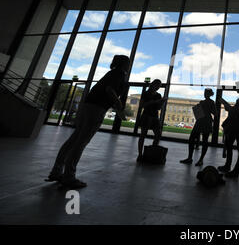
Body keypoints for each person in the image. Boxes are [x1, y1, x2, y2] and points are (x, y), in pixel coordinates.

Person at [46, 55, 130, 189]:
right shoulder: (120, 74)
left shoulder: (111, 73)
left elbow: (105, 90)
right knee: (81, 142)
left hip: (88, 106)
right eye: (128, 63)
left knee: (73, 140)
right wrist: (119, 104)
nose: (129, 65)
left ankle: (56, 171)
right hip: (97, 109)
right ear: (125, 64)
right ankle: (69, 177)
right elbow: (110, 90)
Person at [218, 84, 239, 178]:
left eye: (238, 86)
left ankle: (235, 171)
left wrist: (233, 109)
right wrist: (232, 109)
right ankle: (228, 166)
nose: (236, 88)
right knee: (229, 145)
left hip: (238, 126)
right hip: (235, 126)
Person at [180, 88, 216, 166]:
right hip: (205, 121)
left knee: (195, 139)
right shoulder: (209, 102)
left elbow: (215, 113)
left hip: (201, 121)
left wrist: (203, 109)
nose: (205, 94)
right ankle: (198, 159)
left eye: (206, 93)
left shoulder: (207, 102)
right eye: (205, 92)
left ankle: (193, 158)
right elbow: (215, 113)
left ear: (209, 94)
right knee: (202, 140)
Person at [136, 79, 166, 162]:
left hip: (153, 116)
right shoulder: (146, 93)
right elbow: (142, 105)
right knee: (144, 135)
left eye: (159, 86)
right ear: (153, 84)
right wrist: (154, 102)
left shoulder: (157, 95)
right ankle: (140, 154)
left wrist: (161, 102)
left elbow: (158, 108)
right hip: (147, 115)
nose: (158, 87)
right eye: (158, 85)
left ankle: (151, 152)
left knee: (157, 135)